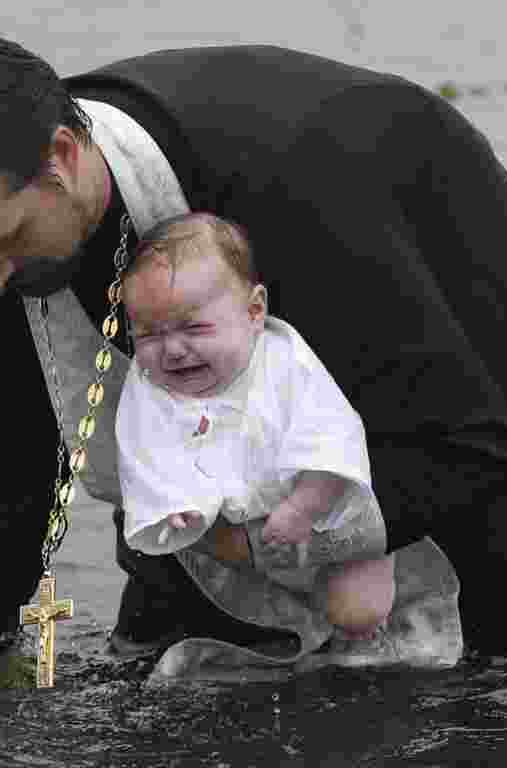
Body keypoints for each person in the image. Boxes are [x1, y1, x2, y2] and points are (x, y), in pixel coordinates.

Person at [0, 25, 507, 710]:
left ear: (63, 155)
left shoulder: (298, 179)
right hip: (237, 509)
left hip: (455, 320)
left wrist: (259, 548)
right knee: (163, 700)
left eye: (1, 247)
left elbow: (462, 448)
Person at [116, 211, 395, 636]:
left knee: (359, 612)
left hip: (325, 512)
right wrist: (171, 503)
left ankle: (364, 613)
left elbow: (333, 438)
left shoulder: (285, 364)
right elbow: (145, 450)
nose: (172, 350)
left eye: (194, 328)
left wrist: (303, 507)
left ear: (254, 311)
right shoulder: (149, 384)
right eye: (149, 335)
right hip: (242, 532)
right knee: (256, 617)